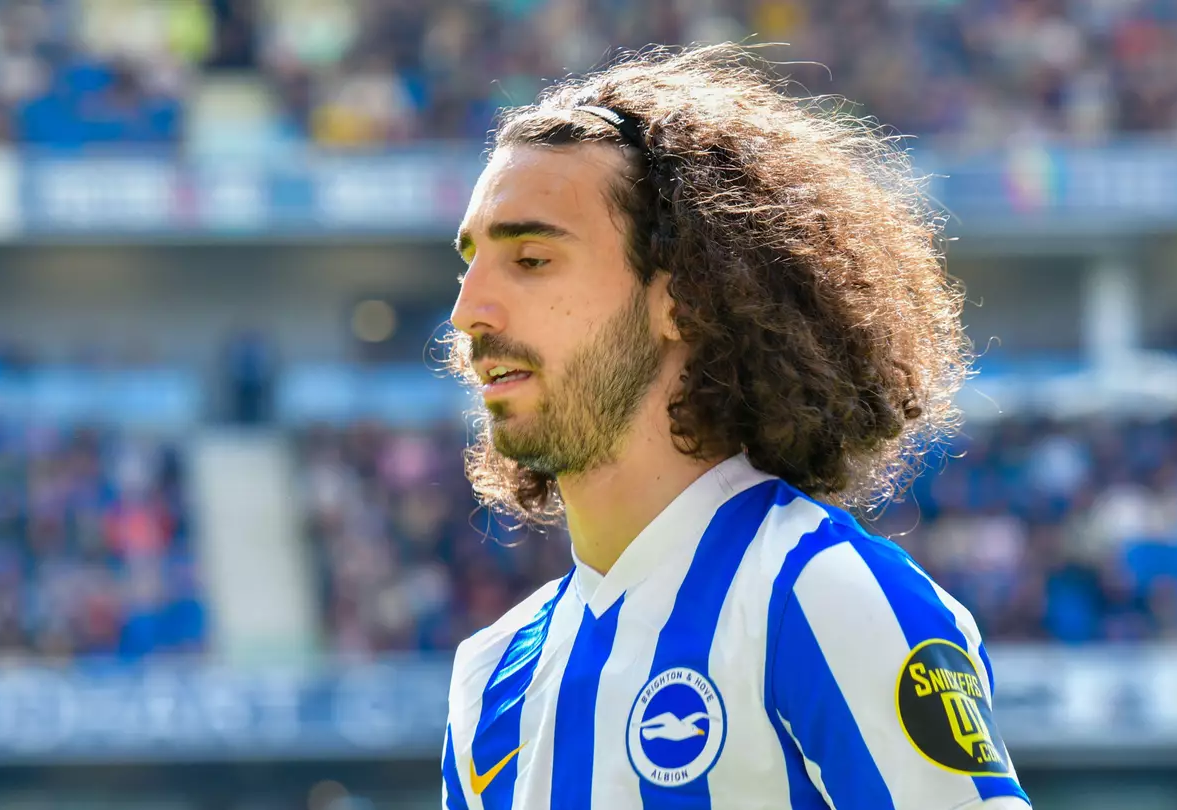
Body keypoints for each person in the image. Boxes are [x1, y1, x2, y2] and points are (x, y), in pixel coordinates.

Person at [441, 44, 1030, 810]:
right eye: (469, 263)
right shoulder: (490, 683)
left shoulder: (823, 598)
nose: (467, 312)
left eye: (530, 258)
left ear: (680, 298)